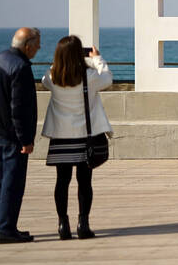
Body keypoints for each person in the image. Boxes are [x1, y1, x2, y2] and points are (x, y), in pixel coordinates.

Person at [41, 35, 113, 240]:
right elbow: (107, 78)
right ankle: (83, 224)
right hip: (84, 137)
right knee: (84, 181)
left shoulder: (52, 77)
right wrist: (97, 59)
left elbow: (45, 79)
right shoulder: (89, 77)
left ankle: (63, 224)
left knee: (61, 182)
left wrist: (59, 61)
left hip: (60, 137)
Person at [0, 27, 40, 244]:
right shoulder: (20, 67)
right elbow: (19, 108)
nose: (39, 48)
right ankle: (6, 229)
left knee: (3, 180)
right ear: (28, 45)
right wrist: (25, 139)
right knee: (12, 182)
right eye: (37, 44)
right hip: (11, 135)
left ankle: (3, 225)